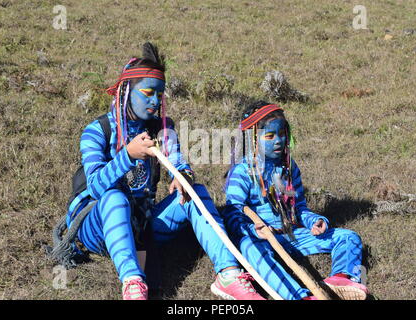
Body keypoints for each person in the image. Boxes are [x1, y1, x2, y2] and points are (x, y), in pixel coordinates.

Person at [63, 43, 264, 300]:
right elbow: (95, 187)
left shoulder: (161, 127)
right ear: (126, 91)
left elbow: (177, 160)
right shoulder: (97, 130)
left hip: (142, 225)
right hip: (96, 227)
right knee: (115, 197)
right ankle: (134, 283)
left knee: (195, 191)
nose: (155, 101)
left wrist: (183, 176)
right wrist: (127, 156)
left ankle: (228, 274)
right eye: (147, 92)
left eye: (160, 94)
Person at [221, 100, 369, 300]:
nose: (278, 141)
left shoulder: (289, 167)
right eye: (270, 136)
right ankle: (300, 297)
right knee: (249, 248)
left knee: (348, 236)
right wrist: (253, 230)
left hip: (293, 235)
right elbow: (232, 213)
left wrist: (313, 221)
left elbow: (298, 207)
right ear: (252, 139)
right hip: (262, 240)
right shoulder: (242, 172)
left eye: (282, 134)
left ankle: (341, 279)